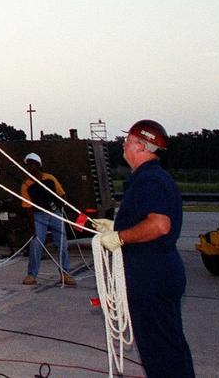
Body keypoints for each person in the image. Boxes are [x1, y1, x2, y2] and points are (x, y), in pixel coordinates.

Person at [95, 120, 195, 377]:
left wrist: (121, 237)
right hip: (156, 274)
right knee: (167, 349)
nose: (123, 146)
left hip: (152, 277)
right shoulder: (151, 177)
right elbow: (147, 219)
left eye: (127, 141)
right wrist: (115, 226)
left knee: (162, 355)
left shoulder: (150, 179)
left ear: (141, 146)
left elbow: (159, 225)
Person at [19, 152, 76, 286]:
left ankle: (65, 274)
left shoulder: (50, 178)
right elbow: (27, 207)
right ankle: (31, 275)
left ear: (39, 165)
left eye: (33, 164)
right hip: (39, 216)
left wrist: (62, 205)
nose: (30, 167)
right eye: (28, 165)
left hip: (55, 213)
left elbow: (62, 193)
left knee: (62, 244)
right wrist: (33, 226)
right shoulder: (26, 185)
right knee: (36, 244)